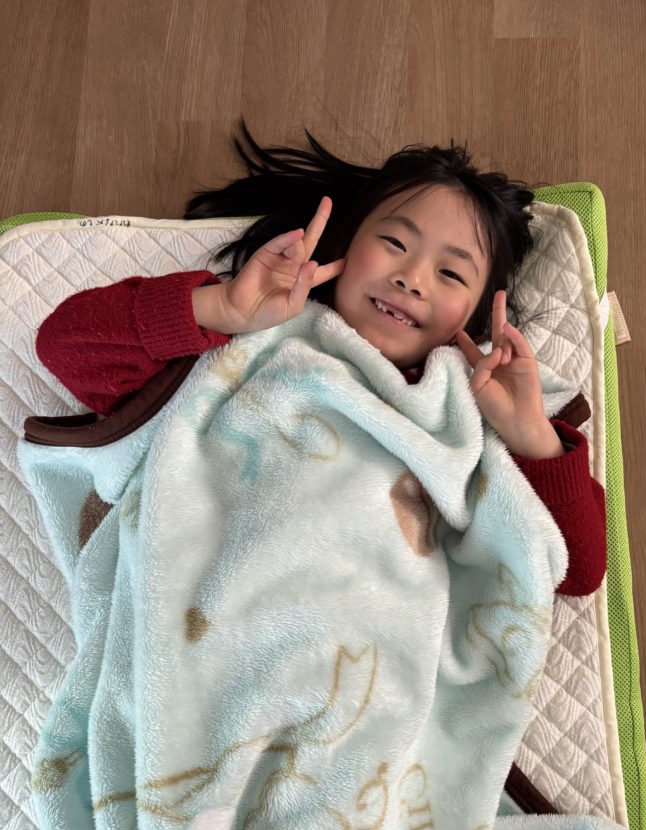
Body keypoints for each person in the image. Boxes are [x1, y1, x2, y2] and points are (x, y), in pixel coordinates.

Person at [35, 121, 606, 597]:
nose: (412, 277)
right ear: (345, 245)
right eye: (395, 243)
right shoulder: (254, 338)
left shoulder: (470, 405)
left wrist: (531, 435)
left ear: (476, 317)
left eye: (451, 273)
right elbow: (64, 348)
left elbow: (576, 573)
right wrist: (220, 307)